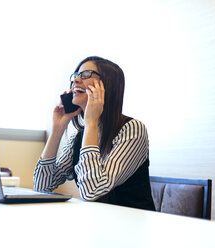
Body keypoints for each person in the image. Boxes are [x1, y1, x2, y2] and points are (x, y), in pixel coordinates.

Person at [33, 56, 155, 210]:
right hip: (98, 222)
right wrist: (57, 129)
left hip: (131, 225)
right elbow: (42, 186)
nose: (76, 80)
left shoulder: (133, 129)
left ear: (107, 86)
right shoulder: (79, 136)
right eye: (76, 75)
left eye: (85, 74)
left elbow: (92, 191)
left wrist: (91, 121)